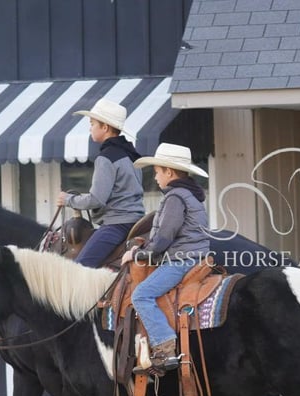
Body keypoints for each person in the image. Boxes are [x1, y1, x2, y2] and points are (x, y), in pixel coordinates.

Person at [121, 143, 210, 374]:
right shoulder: (188, 195)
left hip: (181, 260)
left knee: (141, 294)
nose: (156, 176)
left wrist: (138, 254)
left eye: (158, 171)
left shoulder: (175, 197)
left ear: (169, 172)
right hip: (192, 257)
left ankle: (165, 347)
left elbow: (163, 237)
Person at [56, 98, 145, 268]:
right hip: (137, 221)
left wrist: (68, 199)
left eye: (92, 123)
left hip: (117, 224)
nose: (90, 128)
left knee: (79, 269)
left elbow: (97, 199)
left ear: (105, 127)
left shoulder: (106, 158)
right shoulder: (131, 155)